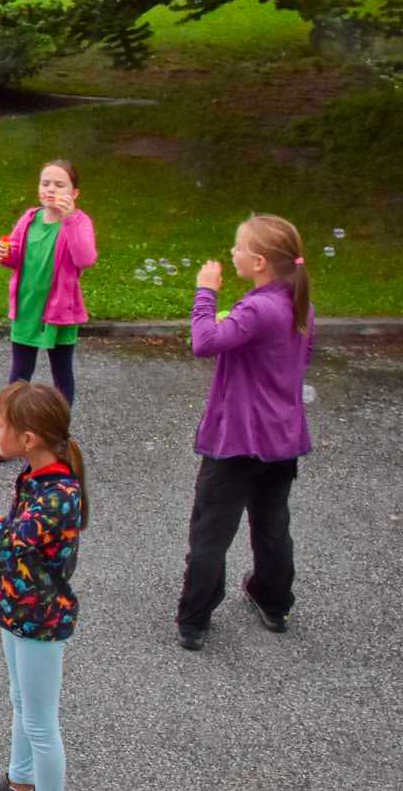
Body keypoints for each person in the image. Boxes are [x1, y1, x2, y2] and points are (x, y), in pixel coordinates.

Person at [176, 214, 314, 652]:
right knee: (272, 527)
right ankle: (274, 602)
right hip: (281, 439)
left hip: (236, 440)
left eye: (237, 248)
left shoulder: (255, 308)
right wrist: (230, 319)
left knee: (211, 530)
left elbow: (203, 342)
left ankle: (194, 618)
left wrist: (206, 291)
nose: (230, 253)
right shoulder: (298, 304)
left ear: (258, 262)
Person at [0, 382, 87, 791]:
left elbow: (6, 549)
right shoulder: (37, 478)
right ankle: (20, 780)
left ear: (27, 439)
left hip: (41, 618)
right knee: (22, 703)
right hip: (18, 608)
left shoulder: (59, 494)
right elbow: (19, 537)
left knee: (41, 725)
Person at [0, 161, 96, 458]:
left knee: (62, 373)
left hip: (62, 313)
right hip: (27, 309)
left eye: (59, 185)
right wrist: (4, 255)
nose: (50, 189)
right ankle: (10, 436)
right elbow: (16, 257)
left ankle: (58, 439)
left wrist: (70, 218)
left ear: (75, 193)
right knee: (19, 375)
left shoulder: (79, 222)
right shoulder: (29, 219)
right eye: (45, 182)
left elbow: (85, 258)